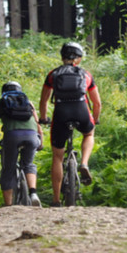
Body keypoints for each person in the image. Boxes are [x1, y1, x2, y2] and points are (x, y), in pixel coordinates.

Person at [39, 41, 101, 207]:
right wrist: (95, 119)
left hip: (61, 112)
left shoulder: (53, 74)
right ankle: (84, 163)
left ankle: (56, 200)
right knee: (89, 133)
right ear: (79, 59)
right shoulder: (86, 75)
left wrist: (43, 118)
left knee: (58, 157)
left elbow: (44, 100)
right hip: (81, 109)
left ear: (62, 57)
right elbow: (97, 103)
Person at [0, 81, 43, 207]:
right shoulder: (28, 102)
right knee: (28, 164)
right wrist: (40, 143)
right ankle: (33, 193)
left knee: (8, 169)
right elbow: (38, 125)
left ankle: (9, 205)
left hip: (11, 137)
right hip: (32, 136)